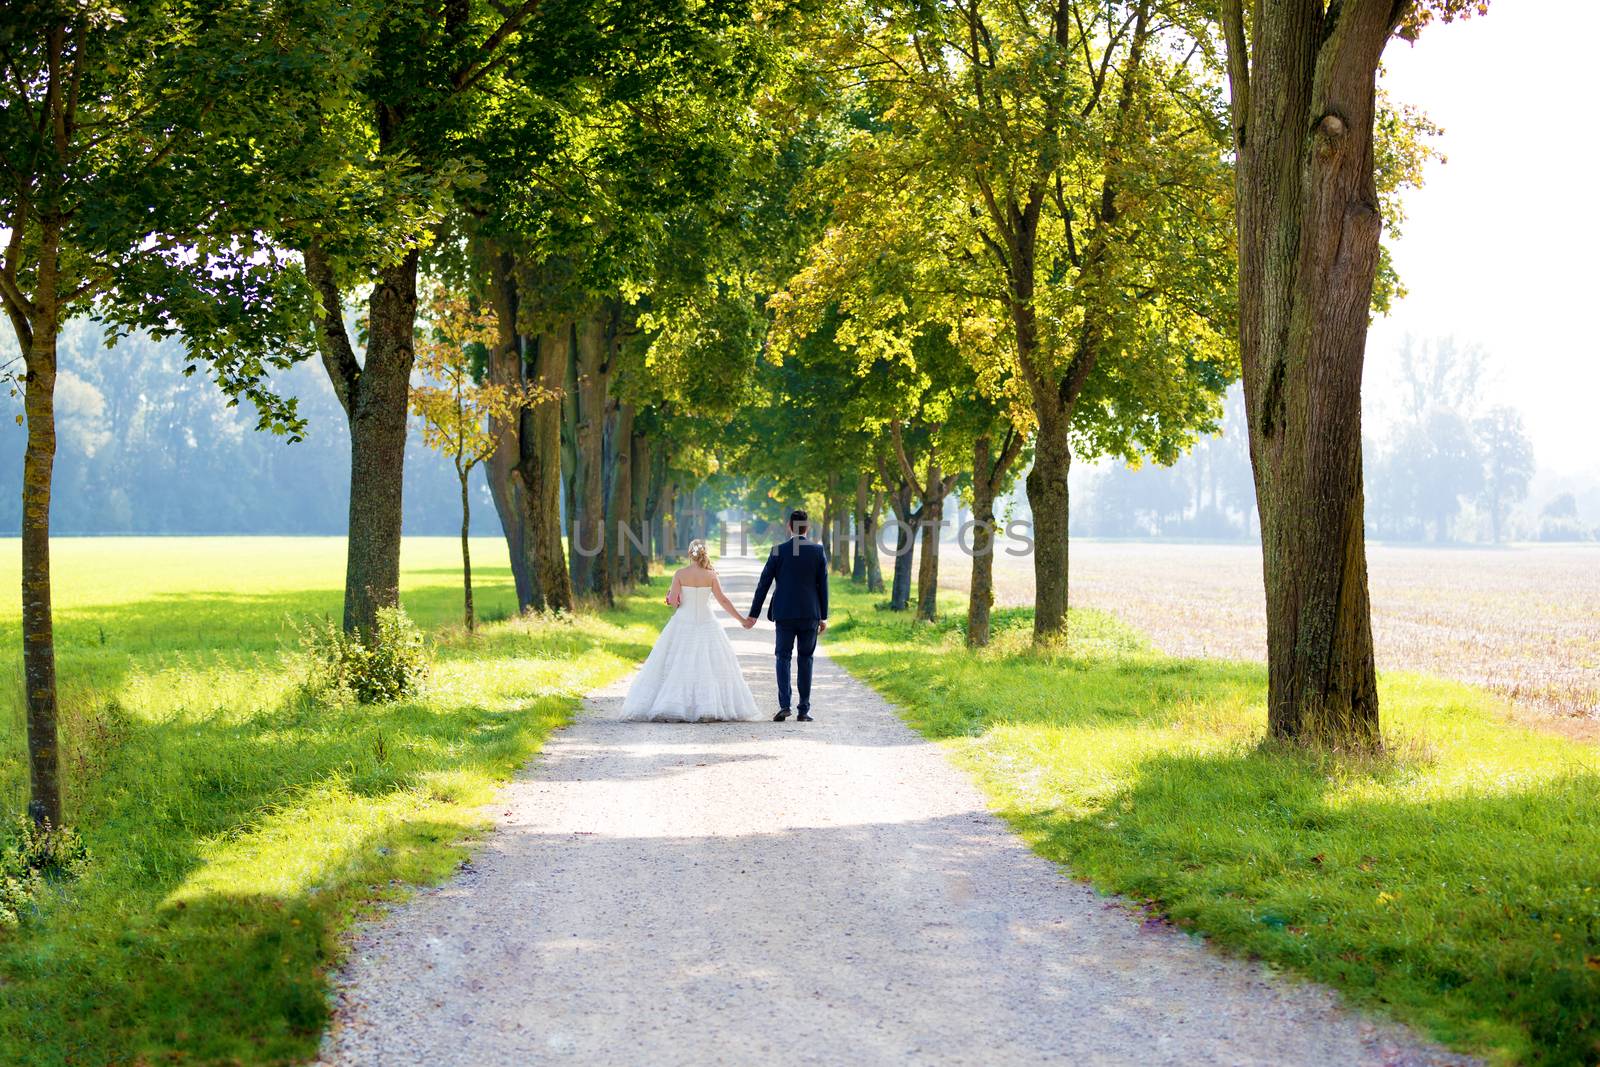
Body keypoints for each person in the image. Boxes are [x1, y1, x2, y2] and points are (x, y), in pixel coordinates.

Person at [619, 539, 759, 722]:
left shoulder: (680, 574)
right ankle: (707, 707)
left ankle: (673, 705)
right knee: (708, 665)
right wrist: (742, 620)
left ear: (689, 554)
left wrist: (669, 598)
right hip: (707, 623)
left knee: (677, 664)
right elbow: (723, 600)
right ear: (704, 553)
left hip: (682, 622)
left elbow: (675, 603)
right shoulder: (711, 575)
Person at [744, 509, 829, 722]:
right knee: (806, 659)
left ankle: (784, 705)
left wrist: (753, 614)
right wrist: (823, 615)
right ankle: (803, 710)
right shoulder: (817, 551)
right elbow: (823, 586)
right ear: (807, 528)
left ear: (789, 527)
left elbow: (763, 584)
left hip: (785, 613)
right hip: (810, 613)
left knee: (783, 657)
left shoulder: (777, 551)